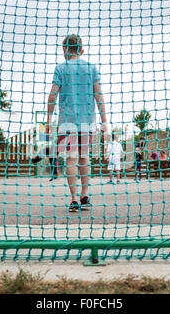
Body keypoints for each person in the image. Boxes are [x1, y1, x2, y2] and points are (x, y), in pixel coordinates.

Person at [45, 34, 108, 212]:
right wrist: (104, 122)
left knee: (71, 160)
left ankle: (73, 199)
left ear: (64, 50)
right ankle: (85, 195)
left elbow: (52, 95)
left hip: (67, 122)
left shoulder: (61, 68)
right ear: (81, 50)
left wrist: (49, 121)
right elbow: (99, 95)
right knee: (84, 158)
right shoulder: (91, 68)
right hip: (88, 121)